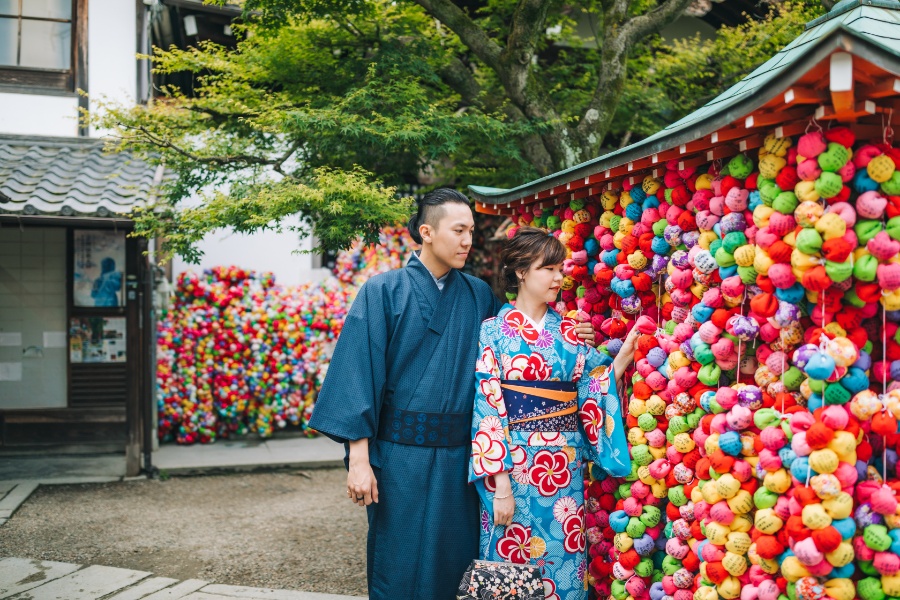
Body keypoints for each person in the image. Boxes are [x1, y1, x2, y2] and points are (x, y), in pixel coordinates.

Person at [309, 189, 595, 600]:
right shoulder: (382, 291)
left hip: (461, 458)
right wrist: (358, 458)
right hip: (398, 455)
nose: (468, 241)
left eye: (471, 231)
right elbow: (357, 374)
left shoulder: (477, 295)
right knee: (397, 562)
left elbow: (520, 343)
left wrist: (573, 334)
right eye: (458, 230)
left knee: (458, 568)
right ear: (426, 231)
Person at [469, 227, 633, 600]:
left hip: (564, 473)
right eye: (549, 268)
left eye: (561, 268)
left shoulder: (570, 333)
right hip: (515, 469)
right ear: (522, 272)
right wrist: (501, 485)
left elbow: (594, 388)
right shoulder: (492, 332)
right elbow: (488, 406)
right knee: (510, 571)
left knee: (566, 566)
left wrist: (621, 360)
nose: (559, 277)